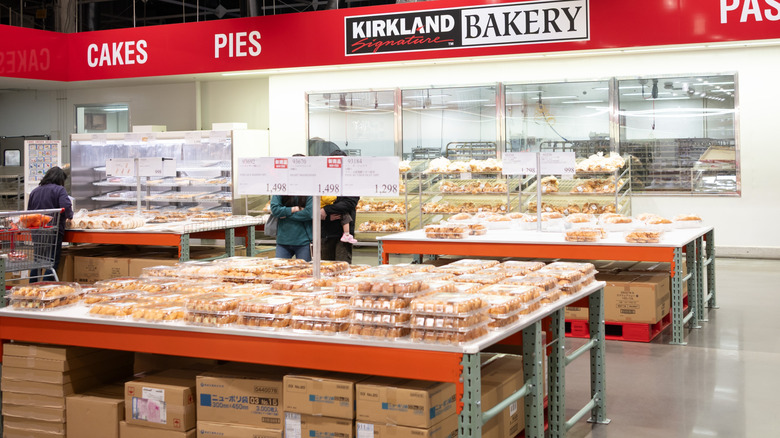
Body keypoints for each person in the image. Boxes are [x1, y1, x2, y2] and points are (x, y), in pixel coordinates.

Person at [27, 166, 74, 282]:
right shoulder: (59, 190)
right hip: (53, 230)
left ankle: (32, 289)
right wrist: (70, 216)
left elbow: (29, 211)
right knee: (51, 262)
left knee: (38, 261)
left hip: (37, 231)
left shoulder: (35, 191)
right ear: (59, 179)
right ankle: (45, 288)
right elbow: (66, 206)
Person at [320, 150, 360, 262]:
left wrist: (326, 210)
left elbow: (349, 203)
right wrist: (327, 215)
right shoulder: (323, 180)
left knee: (342, 268)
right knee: (325, 268)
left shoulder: (351, 181)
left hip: (344, 234)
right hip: (325, 231)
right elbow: (315, 203)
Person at [270, 194, 313, 262]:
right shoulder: (281, 190)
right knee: (280, 270)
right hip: (283, 241)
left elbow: (309, 213)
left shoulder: (308, 192)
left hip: (304, 242)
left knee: (304, 271)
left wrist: (286, 215)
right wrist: (294, 209)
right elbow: (275, 210)